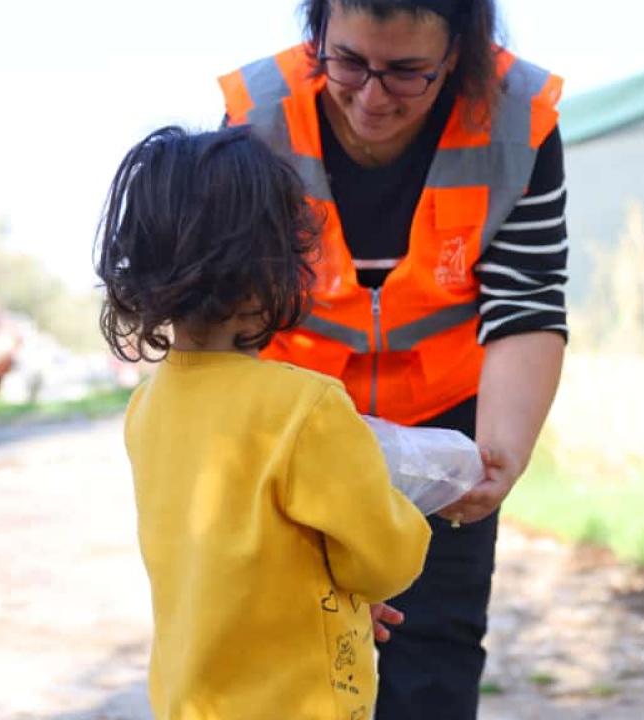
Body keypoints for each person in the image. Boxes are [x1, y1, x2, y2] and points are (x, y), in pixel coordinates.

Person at [218, 1, 568, 716]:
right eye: (348, 62)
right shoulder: (257, 119)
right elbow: (224, 311)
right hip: (296, 427)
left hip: (447, 430)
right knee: (290, 642)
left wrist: (498, 455)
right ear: (317, 35)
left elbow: (526, 300)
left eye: (407, 73)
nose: (372, 97)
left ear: (461, 53)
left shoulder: (517, 119)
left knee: (434, 648)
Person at [96, 125, 431, 718]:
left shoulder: (146, 408)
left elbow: (233, 557)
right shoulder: (306, 409)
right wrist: (402, 510)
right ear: (275, 264)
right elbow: (380, 560)